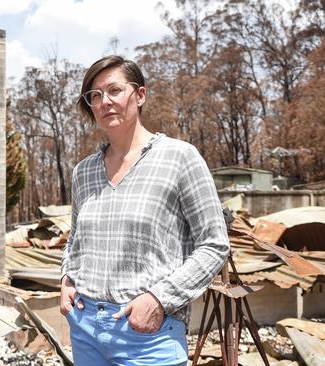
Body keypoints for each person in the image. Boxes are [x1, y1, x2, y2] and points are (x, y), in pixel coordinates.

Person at [60, 55, 230, 365]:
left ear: (140, 95)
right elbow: (75, 240)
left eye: (114, 90)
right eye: (94, 96)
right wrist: (66, 281)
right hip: (85, 329)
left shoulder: (179, 158)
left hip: (148, 333)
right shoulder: (83, 172)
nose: (105, 101)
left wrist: (159, 299)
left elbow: (214, 244)